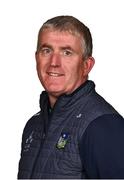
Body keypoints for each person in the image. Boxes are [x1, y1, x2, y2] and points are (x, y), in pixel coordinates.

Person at [18, 15, 124, 179]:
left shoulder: (103, 126)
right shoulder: (34, 125)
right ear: (36, 58)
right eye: (47, 51)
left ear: (86, 65)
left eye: (67, 52)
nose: (54, 62)